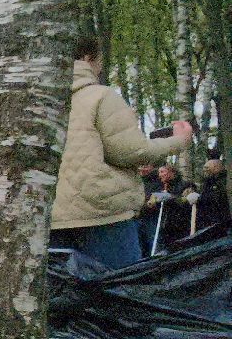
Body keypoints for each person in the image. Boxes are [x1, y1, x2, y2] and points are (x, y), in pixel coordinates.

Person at [48, 43, 191, 270]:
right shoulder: (100, 96)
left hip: (49, 218)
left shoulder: (39, 103)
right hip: (103, 215)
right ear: (87, 57)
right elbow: (131, 152)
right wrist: (178, 141)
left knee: (63, 300)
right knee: (119, 294)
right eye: (100, 62)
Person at [192, 153, 227, 233]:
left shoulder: (223, 181)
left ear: (217, 168)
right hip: (206, 222)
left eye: (207, 168)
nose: (204, 170)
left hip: (219, 222)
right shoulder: (208, 182)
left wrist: (199, 199)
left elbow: (218, 198)